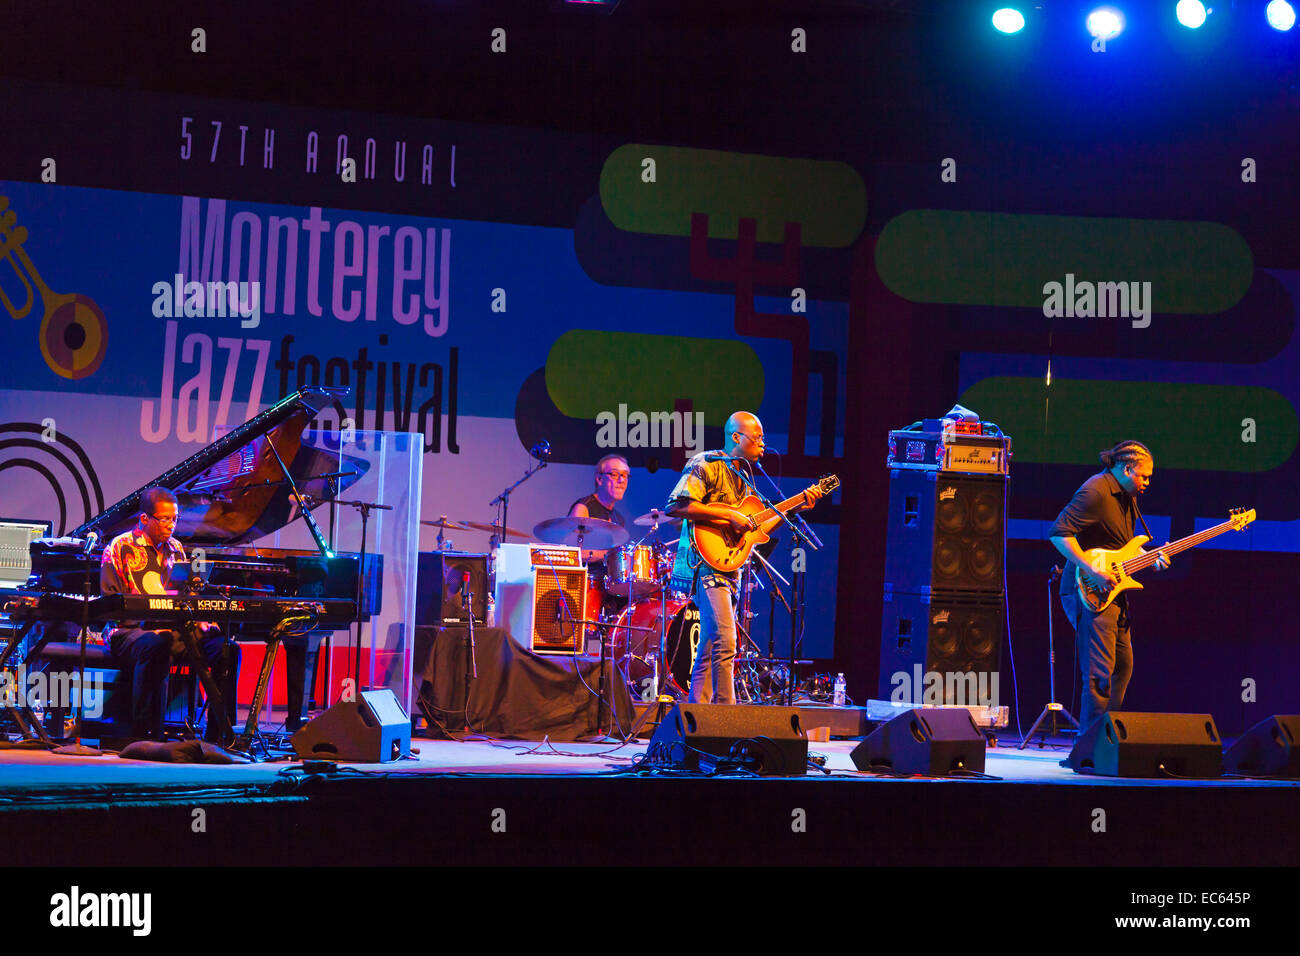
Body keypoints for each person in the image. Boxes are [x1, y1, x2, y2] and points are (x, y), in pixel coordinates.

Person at [665, 412, 823, 704]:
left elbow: (756, 527)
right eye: (757, 437)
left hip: (730, 567)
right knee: (727, 642)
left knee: (711, 647)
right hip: (706, 566)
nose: (763, 444)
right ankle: (727, 717)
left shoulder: (746, 475)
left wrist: (796, 506)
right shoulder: (706, 463)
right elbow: (676, 505)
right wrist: (728, 514)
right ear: (736, 437)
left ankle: (695, 720)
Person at [101, 486, 241, 742]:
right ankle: (145, 736)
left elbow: (188, 595)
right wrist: (148, 627)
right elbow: (110, 604)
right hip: (128, 632)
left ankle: (218, 737)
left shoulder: (176, 549)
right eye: (164, 519)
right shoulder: (118, 547)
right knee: (155, 645)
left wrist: (199, 619)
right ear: (145, 518)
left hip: (174, 631)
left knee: (227, 649)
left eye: (174, 519)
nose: (171, 525)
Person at [1049, 440, 1169, 735]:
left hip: (1111, 591)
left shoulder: (1127, 496)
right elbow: (1058, 533)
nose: (1147, 482)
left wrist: (1149, 558)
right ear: (1128, 469)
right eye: (1144, 475)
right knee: (1100, 674)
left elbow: (1120, 547)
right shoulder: (1096, 491)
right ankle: (1087, 747)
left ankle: (1102, 735)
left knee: (1122, 667)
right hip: (1086, 588)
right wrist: (1091, 569)